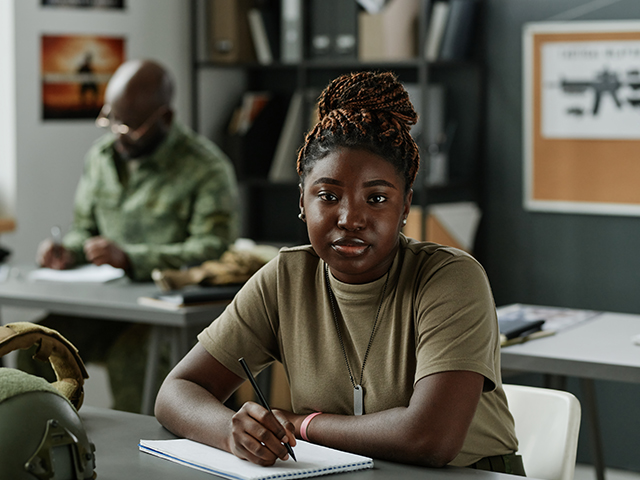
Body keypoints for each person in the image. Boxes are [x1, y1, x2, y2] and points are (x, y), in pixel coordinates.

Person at [154, 71, 523, 473]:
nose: (350, 219)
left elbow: (430, 438)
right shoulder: (285, 277)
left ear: (405, 208)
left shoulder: (450, 278)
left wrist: (300, 424)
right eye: (328, 196)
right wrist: (231, 429)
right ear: (302, 201)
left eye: (377, 198)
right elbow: (176, 392)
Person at [21, 59, 239, 412]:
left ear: (165, 118)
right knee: (35, 345)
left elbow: (214, 250)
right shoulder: (101, 158)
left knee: (133, 359)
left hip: (164, 315)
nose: (117, 134)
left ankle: (139, 459)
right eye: (111, 120)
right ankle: (42, 440)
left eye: (129, 126)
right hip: (103, 304)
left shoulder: (206, 167)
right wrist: (68, 252)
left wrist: (131, 258)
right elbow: (85, 231)